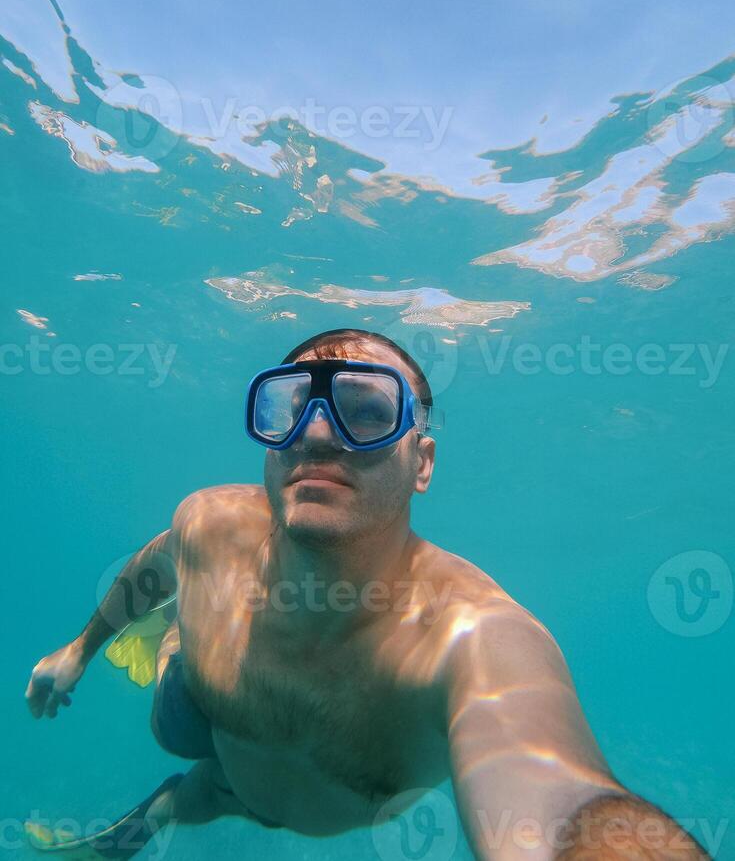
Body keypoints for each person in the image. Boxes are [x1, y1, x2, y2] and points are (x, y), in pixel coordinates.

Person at [24, 328, 710, 860]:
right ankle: (180, 635)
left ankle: (154, 818)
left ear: (423, 461)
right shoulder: (208, 524)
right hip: (207, 705)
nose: (317, 432)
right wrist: (78, 653)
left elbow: (560, 797)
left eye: (365, 411)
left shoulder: (468, 638)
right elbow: (154, 566)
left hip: (246, 788)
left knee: (205, 795)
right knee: (171, 732)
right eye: (288, 410)